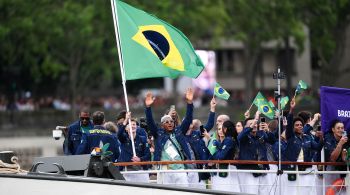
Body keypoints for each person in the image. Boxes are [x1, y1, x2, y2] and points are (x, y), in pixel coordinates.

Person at [144, 88, 194, 187]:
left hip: (180, 169)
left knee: (185, 192)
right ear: (162, 125)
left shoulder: (179, 132)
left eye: (171, 121)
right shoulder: (158, 133)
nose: (170, 123)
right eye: (166, 122)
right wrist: (148, 107)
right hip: (165, 169)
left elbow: (188, 119)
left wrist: (189, 102)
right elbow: (150, 122)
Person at [284, 98, 323, 195]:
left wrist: (322, 138)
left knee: (310, 192)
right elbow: (288, 126)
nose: (300, 126)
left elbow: (318, 147)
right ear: (293, 127)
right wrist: (291, 110)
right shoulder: (291, 137)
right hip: (295, 171)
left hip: (308, 170)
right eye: (297, 125)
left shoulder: (307, 138)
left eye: (301, 125)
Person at [237, 111, 276, 194]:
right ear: (246, 127)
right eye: (251, 124)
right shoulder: (244, 137)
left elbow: (273, 141)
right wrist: (254, 121)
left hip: (263, 170)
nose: (254, 125)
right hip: (249, 171)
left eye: (255, 123)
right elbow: (239, 138)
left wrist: (268, 131)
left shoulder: (261, 134)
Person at [117, 112, 151, 183]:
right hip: (127, 171)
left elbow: (148, 155)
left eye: (134, 124)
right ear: (126, 128)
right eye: (130, 124)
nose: (133, 126)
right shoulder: (124, 139)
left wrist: (140, 159)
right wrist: (126, 119)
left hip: (141, 170)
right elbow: (119, 134)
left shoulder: (143, 139)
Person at [210, 121, 240, 192]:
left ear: (225, 129)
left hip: (227, 169)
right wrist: (218, 144)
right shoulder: (233, 138)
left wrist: (213, 154)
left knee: (225, 190)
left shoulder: (229, 139)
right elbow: (225, 149)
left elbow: (221, 156)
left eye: (222, 128)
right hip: (229, 168)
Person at [324, 119, 348, 192]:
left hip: (343, 171)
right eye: (338, 128)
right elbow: (332, 159)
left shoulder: (346, 140)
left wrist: (345, 158)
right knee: (329, 191)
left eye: (342, 128)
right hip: (331, 171)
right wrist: (340, 144)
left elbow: (346, 159)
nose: (341, 130)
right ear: (333, 129)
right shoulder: (328, 139)